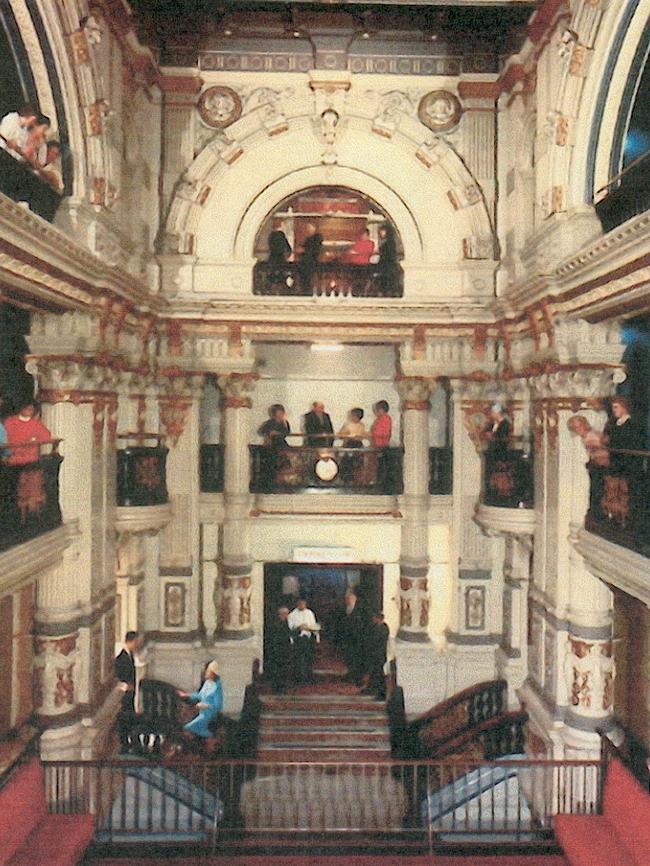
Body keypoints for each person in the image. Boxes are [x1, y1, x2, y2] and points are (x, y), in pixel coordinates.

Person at [177, 659, 223, 739]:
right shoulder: (207, 683)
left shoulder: (217, 687)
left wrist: (205, 705)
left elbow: (218, 705)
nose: (205, 673)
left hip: (208, 715)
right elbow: (199, 695)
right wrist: (186, 695)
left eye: (207, 671)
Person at [114, 631, 140, 754]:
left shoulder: (131, 655)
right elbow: (118, 677)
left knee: (130, 718)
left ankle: (131, 742)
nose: (137, 645)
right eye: (136, 642)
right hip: (125, 694)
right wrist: (126, 686)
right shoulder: (121, 658)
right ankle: (125, 743)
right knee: (124, 719)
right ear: (131, 641)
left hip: (130, 694)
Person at [4, 400, 51, 465]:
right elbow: (5, 439)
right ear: (21, 408)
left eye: (31, 409)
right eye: (26, 408)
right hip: (13, 458)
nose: (29, 410)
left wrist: (35, 439)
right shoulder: (10, 422)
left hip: (31, 458)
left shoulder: (36, 424)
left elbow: (46, 437)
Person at [288, 598, 319, 685]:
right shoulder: (292, 615)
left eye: (303, 604)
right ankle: (298, 678)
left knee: (309, 659)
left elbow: (314, 625)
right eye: (300, 604)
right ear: (297, 604)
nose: (302, 605)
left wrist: (312, 630)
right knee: (299, 660)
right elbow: (290, 629)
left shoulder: (309, 613)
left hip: (309, 638)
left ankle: (309, 676)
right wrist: (299, 628)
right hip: (299, 639)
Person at [339, 590, 367, 686]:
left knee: (357, 659)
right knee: (349, 658)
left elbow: (363, 624)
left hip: (357, 639)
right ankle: (350, 674)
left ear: (355, 599)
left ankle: (357, 677)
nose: (349, 600)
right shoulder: (343, 609)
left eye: (351, 598)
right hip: (346, 639)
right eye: (347, 599)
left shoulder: (360, 610)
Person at [266, 606, 293, 693]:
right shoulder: (276, 624)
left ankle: (282, 687)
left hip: (284, 650)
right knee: (278, 671)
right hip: (278, 650)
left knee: (283, 670)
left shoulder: (285, 623)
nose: (287, 616)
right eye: (285, 614)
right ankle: (277, 687)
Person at [363, 612, 389, 700]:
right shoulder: (376, 627)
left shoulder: (383, 628)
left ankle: (382, 693)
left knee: (380, 675)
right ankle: (372, 689)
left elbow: (378, 640)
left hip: (380, 655)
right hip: (375, 654)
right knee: (375, 673)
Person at [297, 223, 323, 294]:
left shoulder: (317, 238)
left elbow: (315, 250)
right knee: (304, 279)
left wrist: (304, 250)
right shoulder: (308, 239)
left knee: (309, 279)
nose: (307, 230)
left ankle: (308, 291)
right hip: (304, 264)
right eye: (307, 228)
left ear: (314, 229)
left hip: (311, 263)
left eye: (309, 228)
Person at [376, 224, 398, 294]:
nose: (381, 233)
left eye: (383, 231)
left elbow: (387, 253)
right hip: (385, 264)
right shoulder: (388, 242)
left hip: (387, 264)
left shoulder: (389, 243)